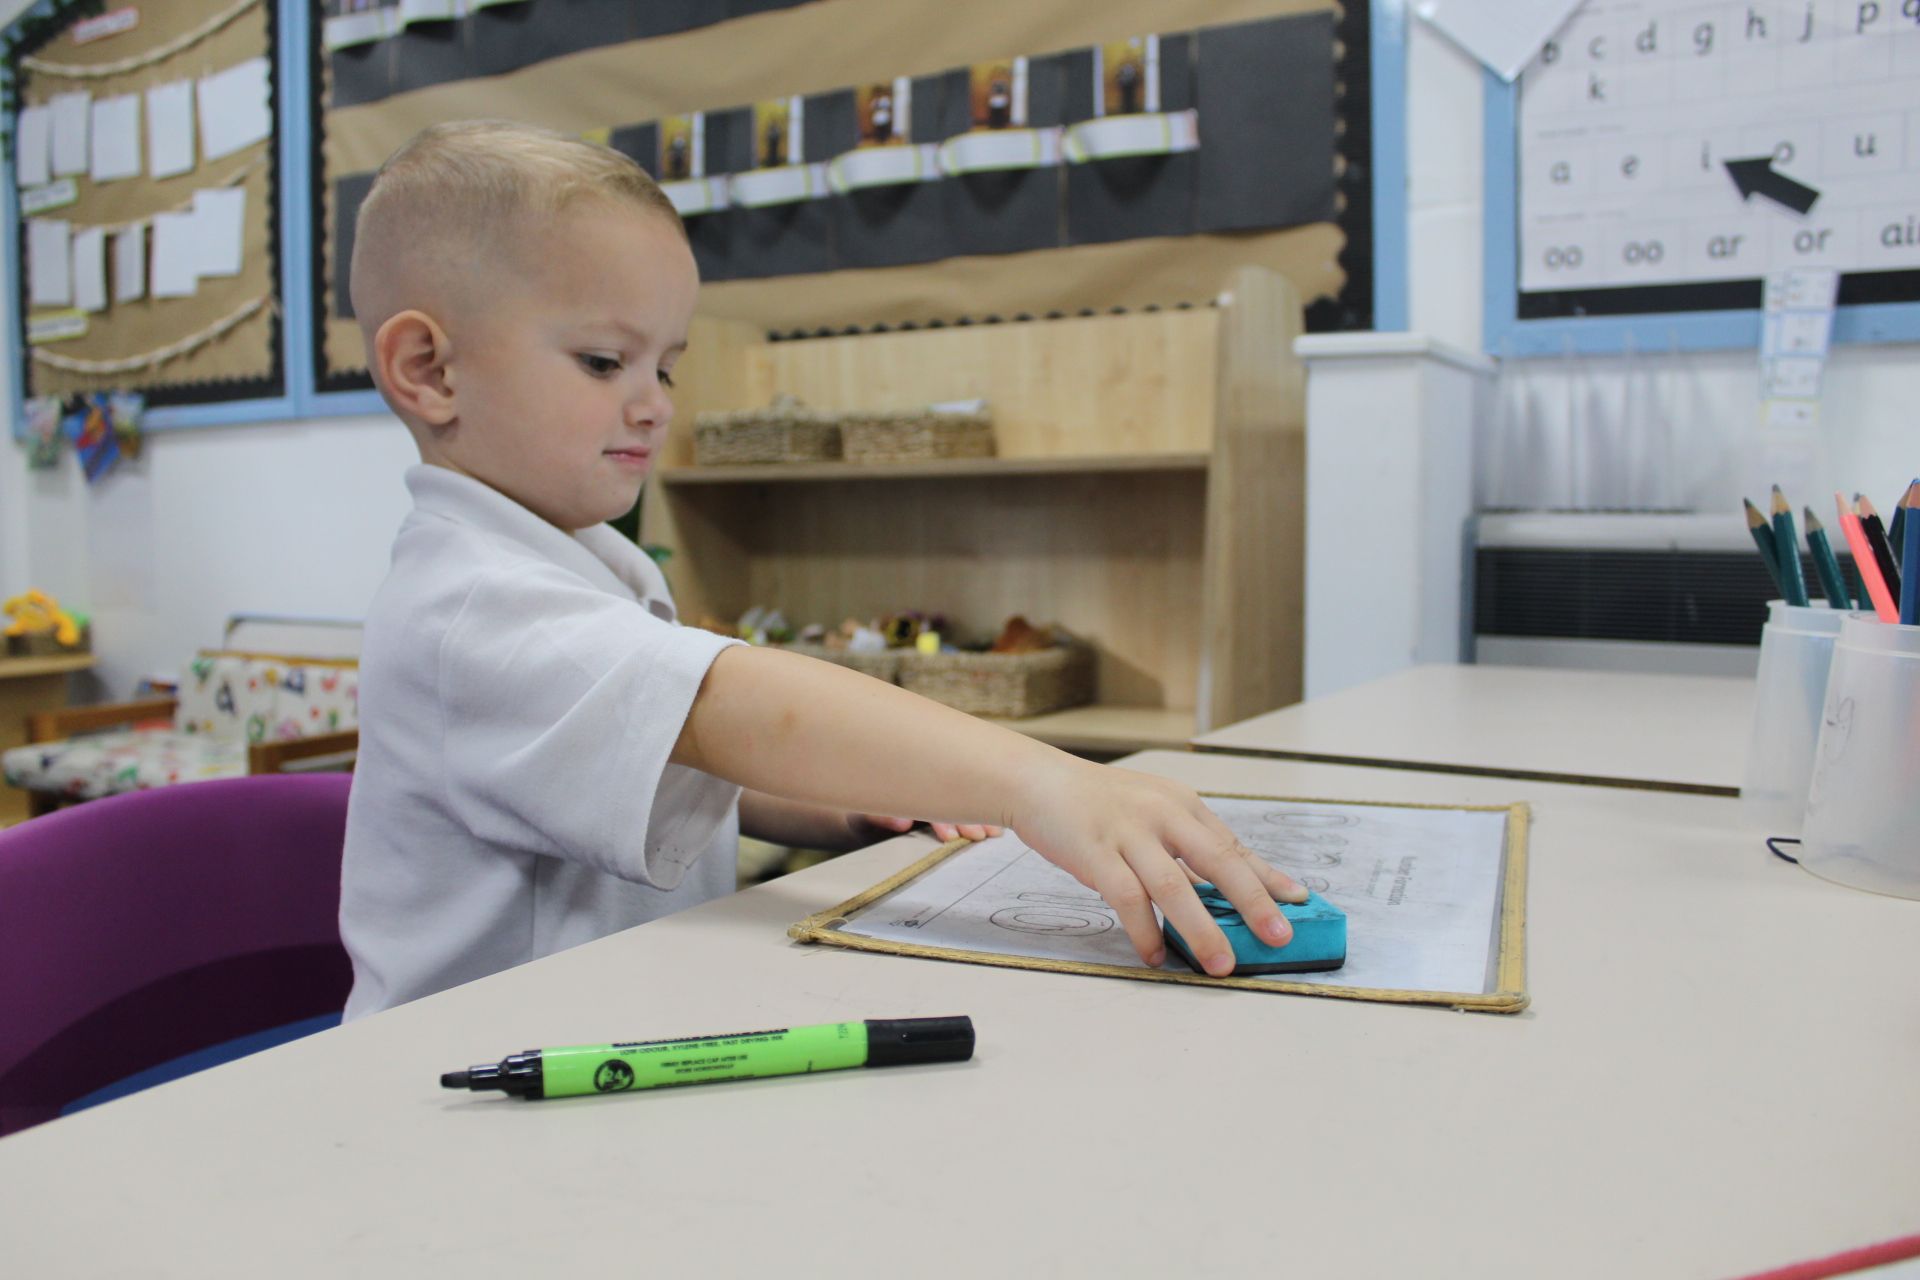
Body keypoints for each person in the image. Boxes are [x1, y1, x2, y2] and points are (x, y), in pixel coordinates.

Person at [338, 120, 1304, 1018]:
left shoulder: (582, 561)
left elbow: (683, 764)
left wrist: (848, 800)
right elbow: (724, 707)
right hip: (475, 1079)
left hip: (611, 1028)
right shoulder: (470, 607)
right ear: (429, 369)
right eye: (603, 362)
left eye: (665, 368)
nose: (654, 406)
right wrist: (1040, 781)